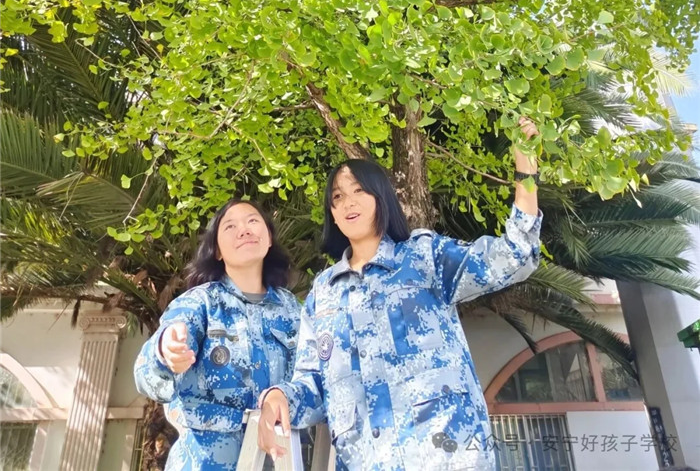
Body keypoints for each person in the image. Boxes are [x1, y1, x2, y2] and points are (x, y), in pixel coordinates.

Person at [257, 117, 543, 471]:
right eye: (337, 197)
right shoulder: (323, 293)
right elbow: (313, 384)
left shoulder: (424, 257)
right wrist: (278, 396)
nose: (348, 203)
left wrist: (526, 172)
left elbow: (513, 256)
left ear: (381, 198)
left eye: (358, 191)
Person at [134, 199, 300, 470]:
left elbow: (312, 379)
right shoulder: (199, 303)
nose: (244, 230)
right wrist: (165, 351)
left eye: (253, 221)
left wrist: (283, 397)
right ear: (218, 251)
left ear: (269, 239)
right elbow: (146, 375)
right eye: (230, 226)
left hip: (275, 461)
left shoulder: (292, 309)